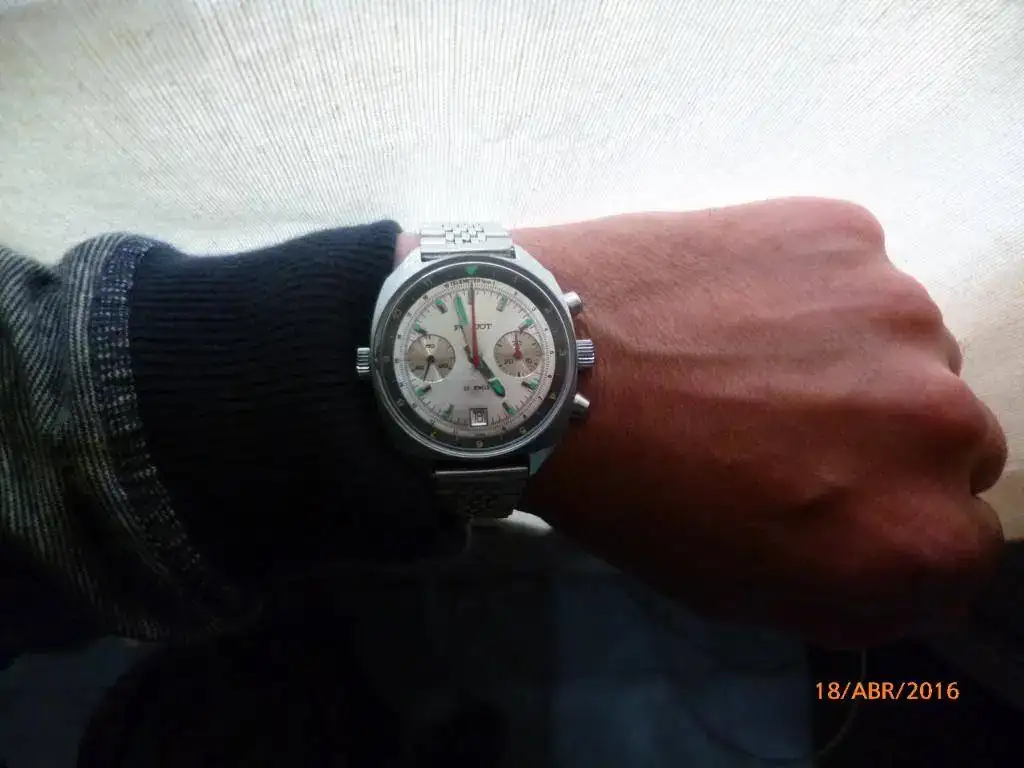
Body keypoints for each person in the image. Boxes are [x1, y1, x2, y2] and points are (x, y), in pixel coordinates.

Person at [0, 195, 1007, 667]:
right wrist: (298, 383)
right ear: (376, 363)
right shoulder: (395, 372)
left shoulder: (489, 348)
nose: (484, 369)